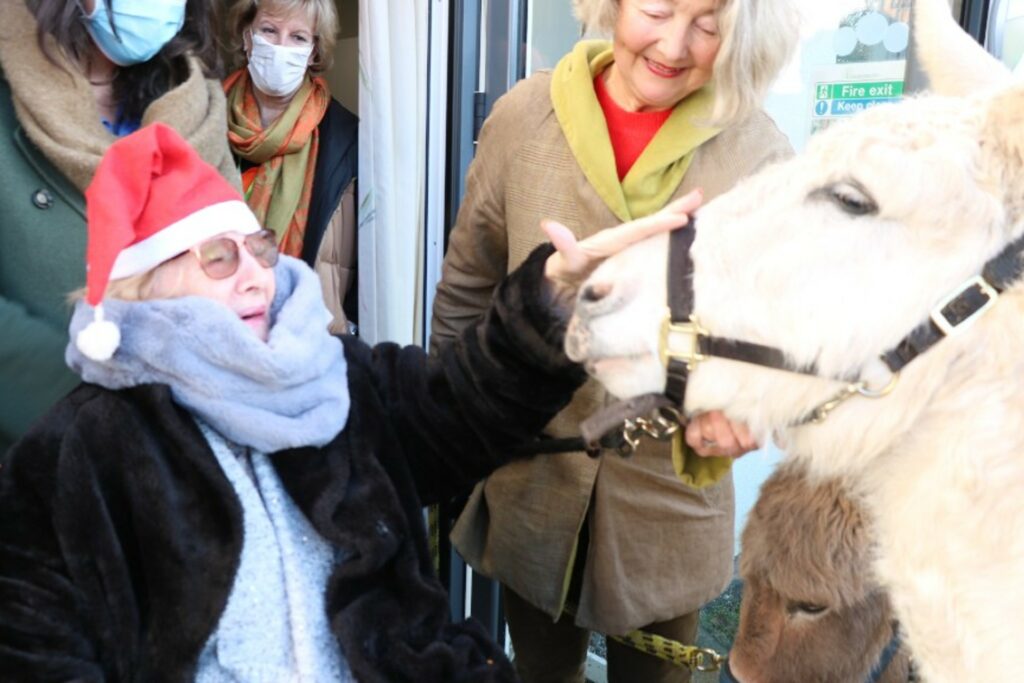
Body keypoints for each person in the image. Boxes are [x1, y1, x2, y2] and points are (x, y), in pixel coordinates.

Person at [0, 123, 698, 682]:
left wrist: (555, 301)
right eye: (218, 256)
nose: (256, 278)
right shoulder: (78, 453)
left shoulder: (337, 375)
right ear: (143, 286)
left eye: (260, 249)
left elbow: (463, 408)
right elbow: (41, 649)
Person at [429, 0, 797, 681]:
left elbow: (784, 337)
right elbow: (466, 291)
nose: (674, 44)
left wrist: (753, 403)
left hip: (668, 496)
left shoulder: (762, 155)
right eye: (656, 9)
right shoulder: (524, 117)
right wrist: (441, 426)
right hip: (532, 470)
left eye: (709, 25)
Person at [0, 0, 237, 455]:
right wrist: (109, 420)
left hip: (193, 463)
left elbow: (236, 262)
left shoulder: (195, 102)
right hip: (46, 464)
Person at [224, 0, 359, 335]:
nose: (281, 47)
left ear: (314, 51)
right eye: (269, 30)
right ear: (247, 36)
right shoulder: (201, 122)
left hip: (307, 343)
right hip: (212, 336)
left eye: (298, 37)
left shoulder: (347, 138)